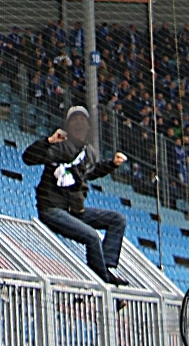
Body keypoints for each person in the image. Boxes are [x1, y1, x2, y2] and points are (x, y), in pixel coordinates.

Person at [22, 105, 128, 284]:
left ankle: (106, 266)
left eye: (82, 120)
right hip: (53, 209)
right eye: (74, 120)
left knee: (117, 219)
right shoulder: (60, 146)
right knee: (92, 237)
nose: (78, 123)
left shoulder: (89, 152)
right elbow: (29, 158)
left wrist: (112, 164)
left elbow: (89, 173)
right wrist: (48, 141)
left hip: (74, 211)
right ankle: (104, 281)